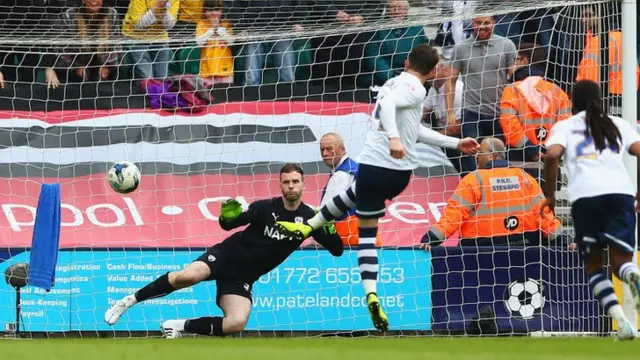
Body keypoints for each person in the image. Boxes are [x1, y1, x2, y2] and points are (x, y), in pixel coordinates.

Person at [271, 44, 480, 332]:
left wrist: (453, 143)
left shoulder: (391, 83)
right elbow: (396, 115)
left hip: (370, 168)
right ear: (432, 71)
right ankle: (368, 289)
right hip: (396, 173)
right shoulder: (417, 88)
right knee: (360, 219)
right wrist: (396, 140)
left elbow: (408, 124)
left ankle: (312, 232)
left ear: (406, 61)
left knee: (359, 219)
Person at [104, 163, 344, 338]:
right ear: (280, 184)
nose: (291, 186)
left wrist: (330, 229)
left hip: (243, 278)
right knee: (186, 277)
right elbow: (228, 224)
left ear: (303, 184)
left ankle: (178, 326)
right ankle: (130, 300)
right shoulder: (264, 208)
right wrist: (227, 216)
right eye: (286, 182)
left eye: (295, 182)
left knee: (236, 323)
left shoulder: (312, 218)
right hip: (225, 256)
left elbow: (337, 251)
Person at [541, 80, 640, 341]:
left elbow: (551, 156)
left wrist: (550, 196)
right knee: (622, 261)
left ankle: (621, 321)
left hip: (586, 196)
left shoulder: (565, 126)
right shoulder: (618, 124)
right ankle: (633, 274)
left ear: (573, 101)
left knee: (594, 265)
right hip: (620, 193)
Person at [420, 138, 562, 248]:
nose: (476, 156)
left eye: (480, 152)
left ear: (492, 156)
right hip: (522, 246)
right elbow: (543, 214)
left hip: (480, 249)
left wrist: (431, 239)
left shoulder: (474, 179)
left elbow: (454, 214)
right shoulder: (525, 178)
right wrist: (563, 239)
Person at [445, 15, 517, 175]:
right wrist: (450, 113)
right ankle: (472, 188)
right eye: (478, 22)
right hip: (472, 112)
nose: (482, 26)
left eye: (486, 23)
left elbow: (515, 80)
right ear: (472, 23)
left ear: (494, 23)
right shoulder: (461, 48)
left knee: (498, 156)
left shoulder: (507, 45)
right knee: (471, 154)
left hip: (500, 113)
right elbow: (450, 80)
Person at [499, 42, 572, 162]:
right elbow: (565, 126)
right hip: (552, 158)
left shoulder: (512, 90)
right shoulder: (558, 91)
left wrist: (532, 151)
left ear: (524, 61)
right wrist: (550, 151)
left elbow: (510, 126)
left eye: (514, 60)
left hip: (519, 158)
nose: (510, 66)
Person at [319, 132, 381, 247]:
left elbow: (324, 213)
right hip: (368, 240)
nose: (325, 153)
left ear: (342, 150)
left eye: (329, 149)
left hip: (350, 243)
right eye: (322, 150)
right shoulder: (355, 169)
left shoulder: (342, 175)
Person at [50, 0, 121, 83]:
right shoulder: (70, 14)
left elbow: (116, 45)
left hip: (104, 63)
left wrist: (107, 66)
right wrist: (75, 67)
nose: (94, 1)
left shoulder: (111, 14)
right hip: (75, 65)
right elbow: (63, 48)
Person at [122, 0, 179, 87]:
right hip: (136, 37)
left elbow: (169, 26)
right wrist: (158, 6)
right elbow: (139, 24)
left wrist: (164, 10)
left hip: (160, 38)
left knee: (162, 80)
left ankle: (158, 98)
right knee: (148, 80)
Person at [195, 0, 233, 86]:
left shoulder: (226, 24)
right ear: (204, 12)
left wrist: (218, 29)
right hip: (207, 70)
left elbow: (231, 41)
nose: (213, 13)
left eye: (216, 9)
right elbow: (199, 42)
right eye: (209, 10)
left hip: (225, 69)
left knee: (226, 94)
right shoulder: (201, 24)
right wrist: (212, 29)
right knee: (210, 96)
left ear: (221, 10)